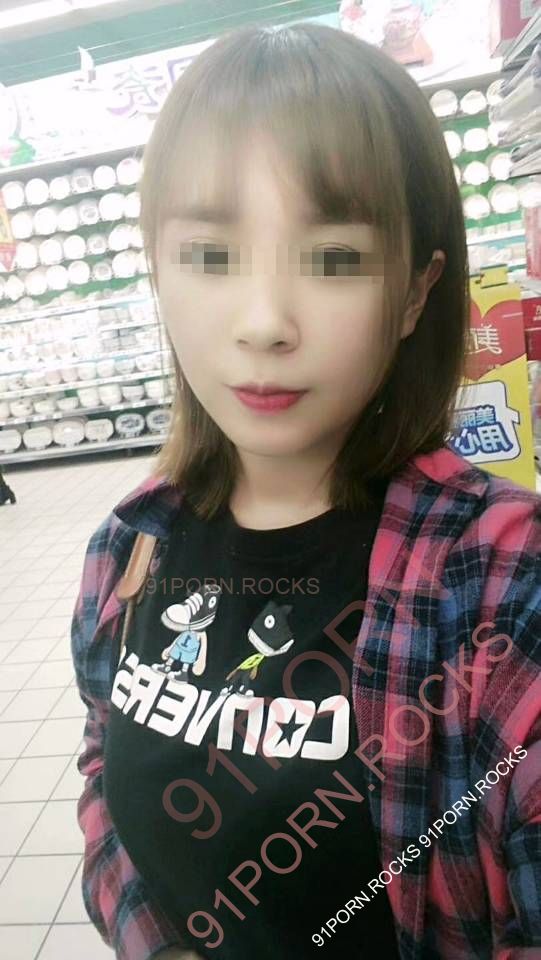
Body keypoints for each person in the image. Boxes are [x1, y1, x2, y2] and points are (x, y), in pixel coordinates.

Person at [70, 21, 541, 960]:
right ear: (158, 268)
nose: (264, 323)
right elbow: (101, 772)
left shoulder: (498, 583)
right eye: (210, 257)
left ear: (414, 292)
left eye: (333, 260)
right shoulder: (130, 546)